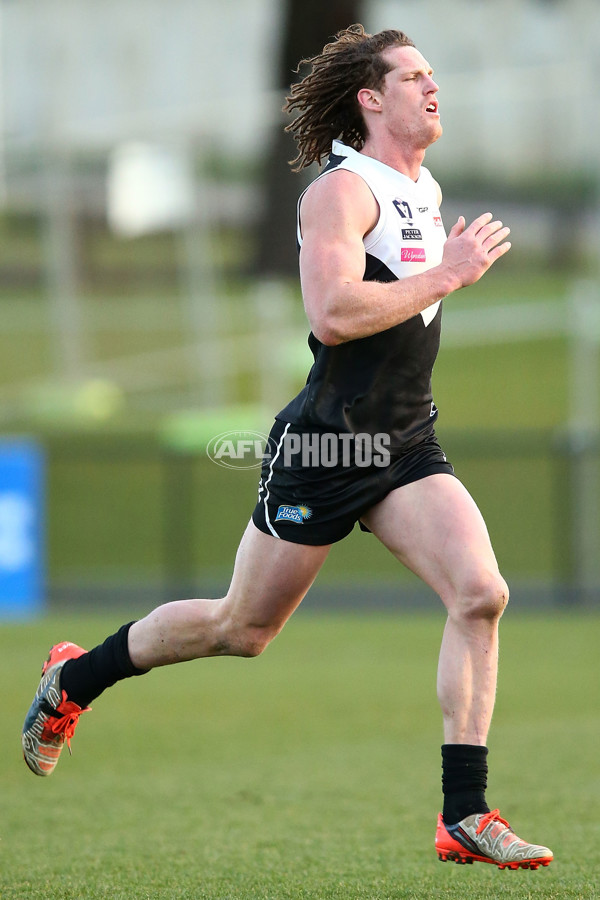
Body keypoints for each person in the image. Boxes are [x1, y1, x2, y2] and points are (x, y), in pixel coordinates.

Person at [22, 24, 552, 870]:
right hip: (327, 449)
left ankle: (464, 814)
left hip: (406, 442)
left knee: (482, 593)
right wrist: (449, 273)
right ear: (371, 99)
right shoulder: (339, 194)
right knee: (243, 628)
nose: (432, 86)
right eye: (413, 76)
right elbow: (333, 315)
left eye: (432, 74)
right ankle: (74, 680)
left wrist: (443, 270)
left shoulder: (425, 185)